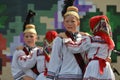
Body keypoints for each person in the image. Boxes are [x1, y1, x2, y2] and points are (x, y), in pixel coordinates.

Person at [63, 15, 115, 80]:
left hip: (94, 67)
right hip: (106, 68)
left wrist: (67, 39)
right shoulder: (109, 41)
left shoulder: (90, 40)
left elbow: (75, 48)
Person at [46, 6, 89, 80]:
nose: (69, 24)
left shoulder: (84, 38)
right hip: (64, 75)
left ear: (78, 22)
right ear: (63, 23)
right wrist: (50, 77)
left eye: (72, 21)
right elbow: (54, 59)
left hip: (81, 75)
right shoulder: (59, 39)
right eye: (67, 21)